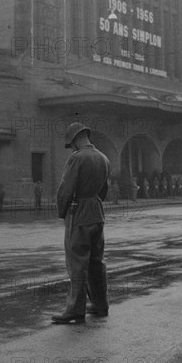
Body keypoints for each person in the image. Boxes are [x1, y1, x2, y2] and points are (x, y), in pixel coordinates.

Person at [53, 122, 110, 324]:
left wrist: (62, 211)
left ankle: (75, 309)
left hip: (79, 213)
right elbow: (104, 189)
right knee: (96, 261)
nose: (73, 148)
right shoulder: (103, 158)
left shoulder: (76, 158)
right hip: (97, 211)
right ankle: (100, 305)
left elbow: (66, 189)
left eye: (71, 144)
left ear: (76, 139)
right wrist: (94, 201)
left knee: (77, 262)